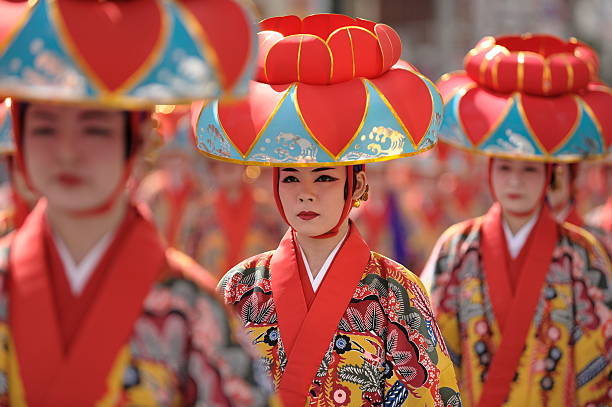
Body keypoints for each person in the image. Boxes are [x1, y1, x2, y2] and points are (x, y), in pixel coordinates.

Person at [0, 0, 273, 404]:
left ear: (139, 139)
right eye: (44, 128)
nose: (68, 153)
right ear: (18, 140)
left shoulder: (189, 309)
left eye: (94, 130)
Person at [194, 14, 461, 406]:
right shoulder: (240, 287)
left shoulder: (397, 292)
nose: (305, 195)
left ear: (356, 184)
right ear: (274, 185)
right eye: (290, 178)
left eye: (324, 179)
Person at [423, 34, 612, 407]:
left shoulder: (581, 254)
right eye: (505, 167)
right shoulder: (457, 247)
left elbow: (600, 358)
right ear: (489, 171)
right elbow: (433, 350)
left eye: (528, 170)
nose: (514, 182)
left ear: (550, 176)